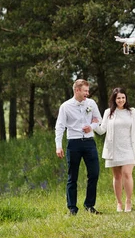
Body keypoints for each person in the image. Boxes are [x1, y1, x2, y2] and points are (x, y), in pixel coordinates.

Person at [55, 79, 103, 216]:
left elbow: (98, 119)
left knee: (94, 174)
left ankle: (89, 205)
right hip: (73, 143)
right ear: (77, 90)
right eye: (85, 91)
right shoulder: (65, 106)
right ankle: (72, 208)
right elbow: (60, 126)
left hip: (89, 142)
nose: (87, 93)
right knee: (72, 177)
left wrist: (92, 127)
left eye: (88, 91)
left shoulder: (91, 103)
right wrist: (58, 146)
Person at [94, 87, 135, 213]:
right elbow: (102, 130)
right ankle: (119, 203)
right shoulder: (108, 112)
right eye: (118, 98)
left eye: (123, 97)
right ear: (114, 99)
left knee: (127, 173)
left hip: (129, 148)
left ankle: (128, 201)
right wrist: (93, 125)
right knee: (117, 176)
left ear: (126, 98)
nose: (121, 100)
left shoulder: (132, 112)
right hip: (113, 149)